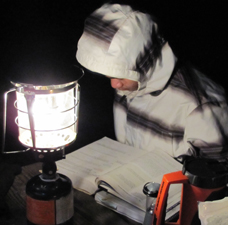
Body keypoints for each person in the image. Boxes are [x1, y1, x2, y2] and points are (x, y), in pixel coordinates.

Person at [76, 3, 228, 162]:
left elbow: (218, 178)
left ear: (145, 64)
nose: (115, 85)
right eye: (109, 75)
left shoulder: (204, 107)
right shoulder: (129, 82)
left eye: (121, 76)